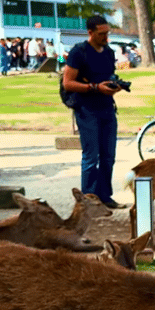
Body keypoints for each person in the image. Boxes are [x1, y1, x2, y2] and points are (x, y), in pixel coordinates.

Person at [62, 15, 126, 210]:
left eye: (107, 33)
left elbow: (108, 76)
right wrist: (95, 87)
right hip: (87, 109)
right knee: (91, 157)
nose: (106, 37)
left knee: (108, 156)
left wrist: (115, 85)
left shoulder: (108, 52)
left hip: (107, 108)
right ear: (90, 33)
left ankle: (105, 196)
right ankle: (88, 199)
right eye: (101, 34)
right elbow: (68, 82)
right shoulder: (79, 52)